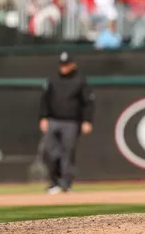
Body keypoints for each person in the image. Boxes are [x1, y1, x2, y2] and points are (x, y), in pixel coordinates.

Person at [39, 51, 95, 194]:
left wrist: (87, 120)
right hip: (53, 120)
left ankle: (66, 183)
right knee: (50, 152)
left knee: (68, 153)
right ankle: (54, 182)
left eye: (66, 64)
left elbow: (88, 103)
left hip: (71, 121)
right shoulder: (52, 80)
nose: (63, 67)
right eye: (61, 64)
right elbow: (44, 100)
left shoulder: (80, 81)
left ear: (72, 65)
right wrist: (43, 117)